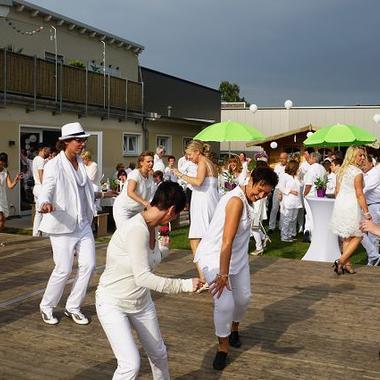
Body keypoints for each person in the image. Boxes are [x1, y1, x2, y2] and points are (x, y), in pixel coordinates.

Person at [96, 182, 202, 379]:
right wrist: (185, 284)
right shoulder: (137, 229)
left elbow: (143, 262)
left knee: (159, 354)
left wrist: (162, 250)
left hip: (141, 303)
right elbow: (143, 277)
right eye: (177, 213)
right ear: (171, 210)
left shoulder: (151, 226)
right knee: (130, 365)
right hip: (113, 303)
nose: (176, 217)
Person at [195, 167, 278, 370]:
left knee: (243, 299)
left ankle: (234, 329)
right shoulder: (236, 201)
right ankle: (222, 348)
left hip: (238, 258)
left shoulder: (251, 199)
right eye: (259, 189)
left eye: (266, 193)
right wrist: (223, 274)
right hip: (215, 257)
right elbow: (226, 241)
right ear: (250, 179)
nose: (261, 196)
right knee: (224, 303)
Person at [38, 122, 114, 325]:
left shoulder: (81, 163)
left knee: (89, 266)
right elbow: (48, 187)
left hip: (83, 224)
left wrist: (103, 193)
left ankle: (73, 306)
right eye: (78, 140)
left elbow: (85, 189)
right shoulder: (54, 164)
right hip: (62, 225)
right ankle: (47, 306)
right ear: (66, 143)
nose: (82, 144)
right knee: (63, 269)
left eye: (83, 140)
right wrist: (44, 202)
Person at [172, 140, 219, 290]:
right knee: (202, 238)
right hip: (207, 200)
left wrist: (180, 174)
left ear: (197, 152)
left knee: (197, 239)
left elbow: (198, 182)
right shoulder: (209, 162)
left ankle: (206, 277)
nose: (188, 157)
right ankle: (208, 275)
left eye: (189, 154)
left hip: (204, 202)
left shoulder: (203, 163)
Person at [330, 146, 369, 275]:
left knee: (347, 237)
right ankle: (340, 261)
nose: (363, 157)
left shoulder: (340, 170)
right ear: (352, 156)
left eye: (363, 155)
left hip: (341, 203)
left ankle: (346, 265)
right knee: (358, 235)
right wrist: (366, 212)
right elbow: (359, 194)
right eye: (360, 155)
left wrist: (339, 204)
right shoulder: (357, 172)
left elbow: (337, 191)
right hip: (352, 205)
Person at [113, 151, 154, 229]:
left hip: (137, 211)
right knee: (124, 234)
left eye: (152, 161)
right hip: (123, 209)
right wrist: (144, 203)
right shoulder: (135, 174)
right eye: (148, 161)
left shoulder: (150, 176)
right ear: (141, 163)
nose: (151, 163)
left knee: (137, 234)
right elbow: (130, 192)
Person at [361, 154, 380, 266]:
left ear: (371, 163)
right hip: (367, 206)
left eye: (364, 163)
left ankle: (373, 261)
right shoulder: (365, 174)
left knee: (373, 235)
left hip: (374, 206)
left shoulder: (376, 173)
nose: (362, 165)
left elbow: (364, 189)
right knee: (358, 230)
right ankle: (374, 255)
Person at [303, 151, 326, 241]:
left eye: (310, 157)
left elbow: (308, 183)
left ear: (314, 158)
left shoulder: (312, 168)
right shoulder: (323, 168)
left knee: (310, 215)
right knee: (313, 215)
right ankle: (307, 232)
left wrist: (305, 194)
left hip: (311, 195)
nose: (309, 159)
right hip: (320, 194)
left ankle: (312, 235)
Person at [279, 160, 302, 242]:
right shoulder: (284, 176)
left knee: (293, 219)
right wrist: (290, 191)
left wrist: (298, 177)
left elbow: (301, 185)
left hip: (296, 201)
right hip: (288, 200)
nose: (299, 168)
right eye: (297, 167)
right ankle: (284, 236)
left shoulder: (296, 176)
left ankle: (291, 234)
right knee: (287, 218)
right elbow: (281, 187)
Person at [32, 143, 51, 236]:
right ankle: (45, 234)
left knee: (38, 212)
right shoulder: (40, 160)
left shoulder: (36, 159)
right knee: (45, 211)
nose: (49, 151)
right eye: (48, 149)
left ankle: (35, 234)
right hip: (40, 187)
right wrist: (46, 187)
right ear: (43, 149)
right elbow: (41, 175)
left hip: (36, 187)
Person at [0, 152, 22, 231]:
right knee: (1, 217)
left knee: (3, 220)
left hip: (2, 198)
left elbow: (10, 186)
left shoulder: (6, 172)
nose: (1, 164)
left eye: (3, 162)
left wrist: (16, 180)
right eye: (0, 161)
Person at [268, 152, 288, 233]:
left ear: (287, 158)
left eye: (284, 158)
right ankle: (271, 227)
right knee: (274, 208)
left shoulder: (288, 167)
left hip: (286, 190)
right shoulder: (277, 167)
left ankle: (281, 226)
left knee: (283, 209)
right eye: (281, 158)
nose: (282, 160)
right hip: (277, 189)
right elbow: (274, 178)